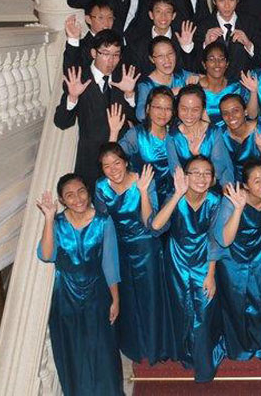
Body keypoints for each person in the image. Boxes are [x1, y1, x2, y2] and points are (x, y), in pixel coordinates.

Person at [36, 174, 123, 396]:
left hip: (97, 293)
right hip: (65, 296)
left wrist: (115, 299)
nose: (78, 199)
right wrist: (49, 218)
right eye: (70, 195)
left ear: (88, 191)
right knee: (73, 350)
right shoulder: (57, 223)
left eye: (81, 191)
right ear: (62, 200)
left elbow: (110, 264)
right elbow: (46, 255)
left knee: (103, 349)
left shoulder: (103, 221)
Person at [94, 145, 170, 365]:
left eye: (117, 163)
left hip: (146, 246)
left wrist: (144, 191)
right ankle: (136, 345)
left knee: (150, 295)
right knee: (128, 298)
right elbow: (102, 223)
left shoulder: (143, 180)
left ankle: (156, 346)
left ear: (126, 162)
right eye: (106, 166)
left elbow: (150, 223)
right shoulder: (100, 186)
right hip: (119, 248)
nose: (113, 169)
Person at [151, 159, 226, 382]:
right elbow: (156, 226)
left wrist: (211, 274)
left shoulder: (215, 200)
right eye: (196, 172)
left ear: (212, 178)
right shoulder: (175, 196)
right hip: (176, 260)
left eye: (207, 173)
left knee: (203, 310)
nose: (201, 178)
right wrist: (177, 194)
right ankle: (186, 353)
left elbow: (215, 239)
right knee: (182, 307)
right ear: (186, 176)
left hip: (204, 258)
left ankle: (204, 365)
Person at [53, 29, 138, 190]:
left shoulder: (124, 78)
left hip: (123, 160)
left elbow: (136, 118)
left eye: (116, 55)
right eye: (105, 53)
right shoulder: (80, 80)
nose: (111, 60)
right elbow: (62, 122)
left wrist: (129, 94)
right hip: (91, 161)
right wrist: (73, 97)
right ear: (94, 53)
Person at [210, 160, 261, 362]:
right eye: (257, 181)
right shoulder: (232, 200)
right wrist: (238, 209)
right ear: (246, 185)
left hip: (259, 252)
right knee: (235, 301)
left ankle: (260, 344)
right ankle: (239, 347)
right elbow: (223, 239)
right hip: (232, 257)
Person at [116, 87, 175, 209]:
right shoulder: (136, 134)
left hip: (171, 198)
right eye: (158, 107)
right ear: (148, 108)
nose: (163, 113)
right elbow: (114, 158)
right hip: (143, 197)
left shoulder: (175, 135)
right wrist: (114, 132)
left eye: (168, 109)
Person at [166, 84, 234, 186]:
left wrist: (198, 156)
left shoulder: (214, 132)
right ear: (177, 108)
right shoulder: (172, 136)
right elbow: (175, 171)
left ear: (203, 110)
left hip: (210, 186)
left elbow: (219, 168)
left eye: (195, 110)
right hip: (183, 188)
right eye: (184, 109)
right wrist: (193, 156)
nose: (189, 114)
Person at [196, 0, 261, 80]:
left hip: (243, 83)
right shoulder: (203, 25)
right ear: (214, 1)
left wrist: (248, 44)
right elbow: (195, 64)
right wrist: (206, 44)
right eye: (221, 0)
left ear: (237, 0)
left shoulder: (250, 23)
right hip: (213, 84)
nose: (227, 5)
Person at [124, 0, 198, 75]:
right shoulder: (137, 45)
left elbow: (192, 73)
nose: (163, 16)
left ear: (173, 16)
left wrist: (186, 48)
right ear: (151, 15)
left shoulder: (183, 40)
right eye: (158, 11)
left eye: (168, 11)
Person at [135, 36, 196, 123]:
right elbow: (141, 115)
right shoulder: (146, 85)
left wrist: (196, 78)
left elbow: (205, 78)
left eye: (170, 54)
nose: (167, 59)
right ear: (152, 59)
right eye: (160, 56)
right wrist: (168, 95)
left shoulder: (181, 76)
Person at [213, 93, 261, 183]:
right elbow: (224, 168)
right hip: (236, 184)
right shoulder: (221, 134)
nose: (230, 116)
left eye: (235, 110)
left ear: (245, 111)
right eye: (225, 113)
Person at [197, 41, 255, 125]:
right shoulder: (196, 90)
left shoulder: (237, 88)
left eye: (221, 59)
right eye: (211, 59)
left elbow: (251, 116)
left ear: (227, 64)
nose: (217, 63)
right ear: (204, 64)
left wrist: (254, 92)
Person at [63, 0, 114, 72]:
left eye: (110, 17)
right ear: (88, 19)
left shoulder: (118, 44)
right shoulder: (81, 46)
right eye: (100, 17)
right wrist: (73, 39)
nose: (106, 22)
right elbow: (71, 72)